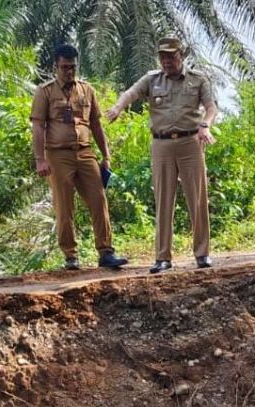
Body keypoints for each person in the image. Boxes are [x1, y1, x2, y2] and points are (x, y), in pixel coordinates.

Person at [105, 38, 217, 274]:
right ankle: (162, 257)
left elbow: (211, 107)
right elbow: (131, 93)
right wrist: (117, 107)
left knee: (197, 199)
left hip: (190, 143)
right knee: (164, 200)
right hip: (161, 144)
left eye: (171, 57)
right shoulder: (152, 79)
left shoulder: (198, 79)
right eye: (163, 57)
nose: (166, 61)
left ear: (181, 56)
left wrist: (205, 125)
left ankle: (202, 254)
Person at [30, 44, 128, 270]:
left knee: (98, 199)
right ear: (56, 66)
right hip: (57, 154)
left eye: (72, 67)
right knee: (64, 206)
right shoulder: (44, 92)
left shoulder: (87, 90)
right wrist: (40, 159)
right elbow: (38, 127)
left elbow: (95, 124)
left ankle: (106, 252)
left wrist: (106, 155)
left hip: (85, 152)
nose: (69, 72)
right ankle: (70, 256)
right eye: (64, 67)